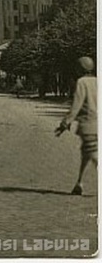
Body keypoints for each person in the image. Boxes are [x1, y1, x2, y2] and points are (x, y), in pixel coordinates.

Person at [56, 56, 97, 195]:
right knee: (86, 154)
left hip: (89, 124)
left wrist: (65, 123)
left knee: (94, 155)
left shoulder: (82, 82)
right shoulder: (98, 81)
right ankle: (79, 183)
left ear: (80, 68)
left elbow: (76, 106)